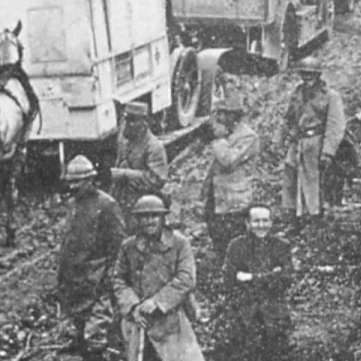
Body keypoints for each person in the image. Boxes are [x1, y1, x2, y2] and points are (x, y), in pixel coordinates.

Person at [112, 196, 204, 361]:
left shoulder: (179, 243)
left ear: (163, 218)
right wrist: (133, 307)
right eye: (144, 217)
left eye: (154, 216)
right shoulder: (128, 246)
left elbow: (186, 278)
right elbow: (119, 280)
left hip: (171, 321)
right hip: (140, 322)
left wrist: (157, 302)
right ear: (137, 220)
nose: (149, 221)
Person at [56, 155, 125, 361]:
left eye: (78, 182)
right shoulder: (72, 205)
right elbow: (67, 243)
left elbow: (117, 247)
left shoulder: (107, 205)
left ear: (90, 180)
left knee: (96, 339)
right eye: (71, 182)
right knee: (70, 338)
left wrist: (109, 277)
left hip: (96, 280)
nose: (73, 187)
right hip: (72, 281)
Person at [220, 205, 294, 361]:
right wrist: (271, 275)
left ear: (271, 222)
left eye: (265, 220)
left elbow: (286, 278)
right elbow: (229, 280)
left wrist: (251, 278)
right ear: (248, 223)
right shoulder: (236, 246)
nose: (261, 225)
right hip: (244, 313)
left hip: (274, 314)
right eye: (256, 221)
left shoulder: (281, 246)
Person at [282, 57, 347, 223]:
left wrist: (328, 151)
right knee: (292, 178)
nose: (307, 78)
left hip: (316, 144)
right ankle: (295, 218)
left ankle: (315, 219)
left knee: (314, 183)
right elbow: (289, 118)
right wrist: (281, 139)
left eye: (311, 75)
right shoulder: (297, 93)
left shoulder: (330, 96)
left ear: (318, 76)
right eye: (304, 74)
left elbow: (335, 126)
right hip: (298, 142)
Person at [202, 84, 259, 254]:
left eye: (223, 113)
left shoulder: (248, 137)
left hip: (235, 197)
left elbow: (228, 161)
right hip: (218, 194)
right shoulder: (226, 133)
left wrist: (218, 139)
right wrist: (206, 186)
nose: (219, 117)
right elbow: (215, 165)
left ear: (234, 115)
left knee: (235, 235)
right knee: (215, 229)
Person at [110, 102, 169, 222]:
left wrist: (125, 174)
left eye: (133, 120)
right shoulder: (125, 142)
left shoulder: (154, 146)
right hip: (122, 200)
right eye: (126, 119)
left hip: (143, 205)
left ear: (144, 122)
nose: (128, 124)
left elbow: (158, 179)